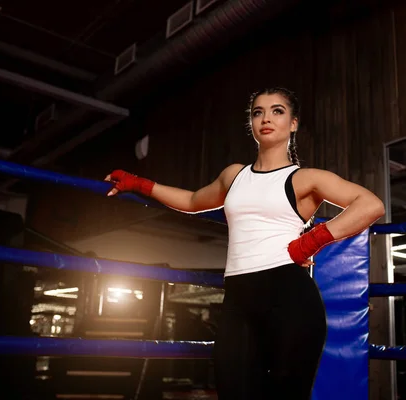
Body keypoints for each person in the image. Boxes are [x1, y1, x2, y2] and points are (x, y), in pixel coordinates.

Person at [104, 87, 385, 399]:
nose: (266, 118)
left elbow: (370, 204)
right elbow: (193, 200)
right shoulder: (234, 175)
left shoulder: (304, 179)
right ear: (251, 123)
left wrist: (310, 242)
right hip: (238, 300)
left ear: (293, 123)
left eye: (277, 111)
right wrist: (139, 184)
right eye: (258, 112)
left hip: (289, 299)